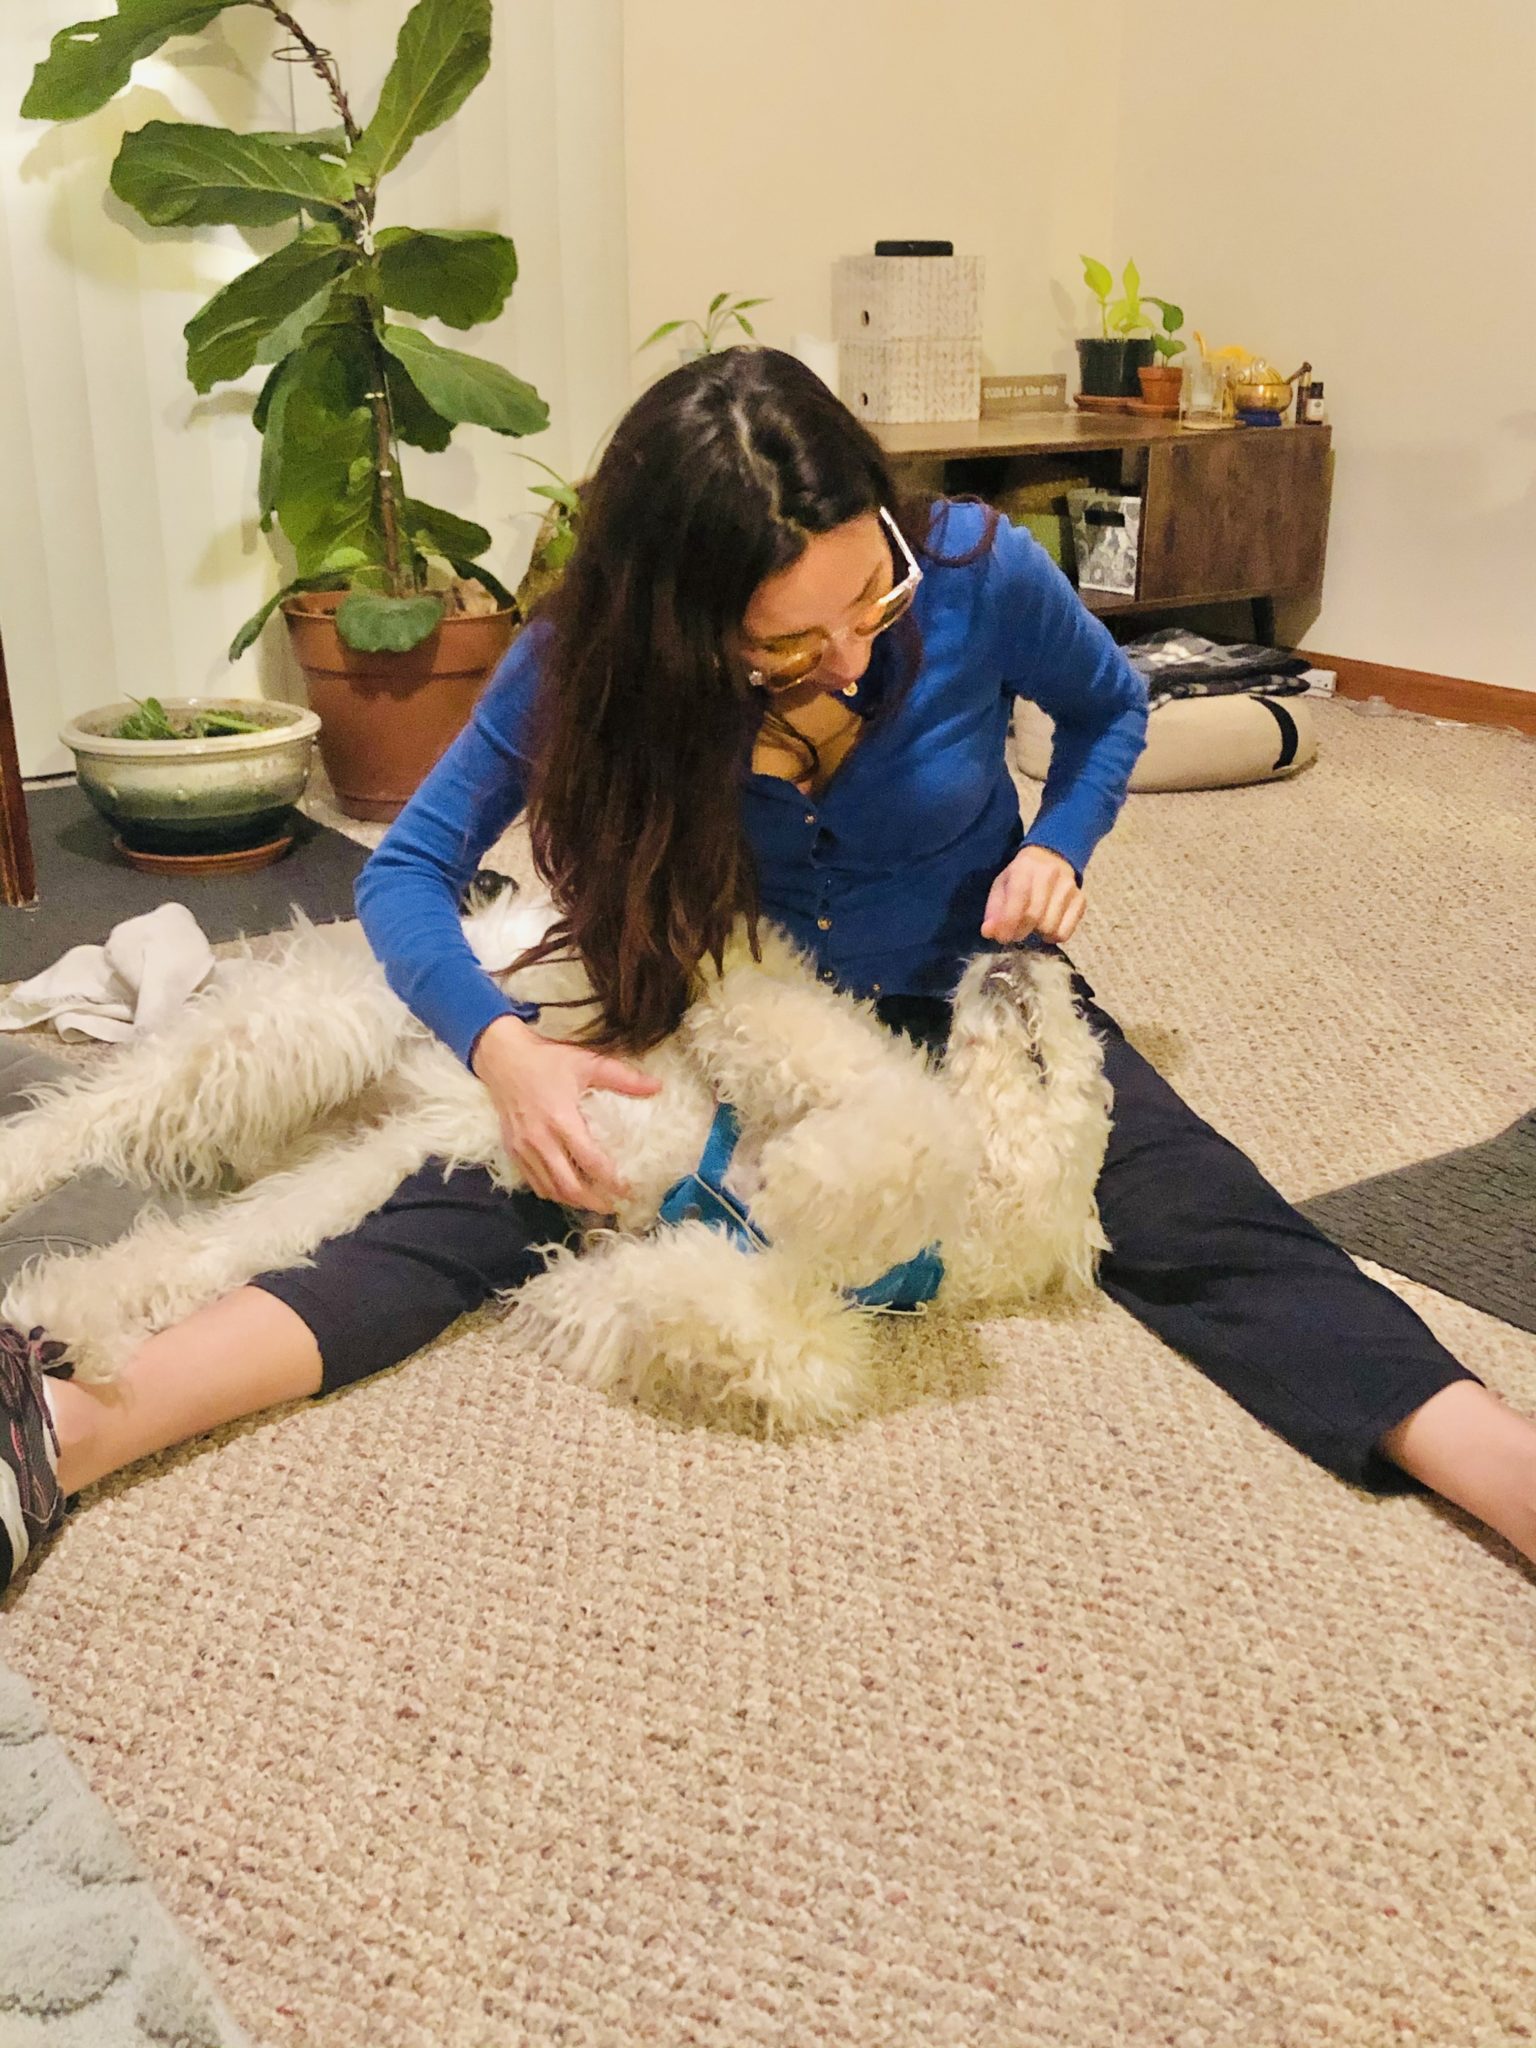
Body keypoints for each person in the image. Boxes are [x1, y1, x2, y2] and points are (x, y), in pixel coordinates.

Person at [4, 347, 1534, 1592]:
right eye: (782, 647)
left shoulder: (980, 570)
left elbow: (1112, 713)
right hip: (707, 1022)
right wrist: (502, 1051)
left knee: (1202, 1210)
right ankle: (59, 1431)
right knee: (455, 1214)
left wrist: (1062, 840)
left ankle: (1505, 1469)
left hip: (959, 990)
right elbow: (403, 869)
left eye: (866, 602)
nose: (850, 658)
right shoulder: (583, 657)